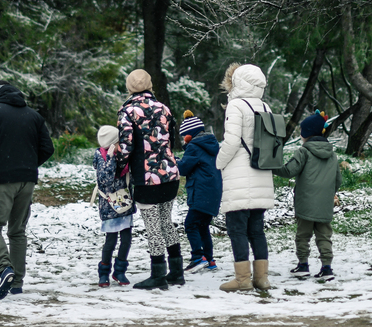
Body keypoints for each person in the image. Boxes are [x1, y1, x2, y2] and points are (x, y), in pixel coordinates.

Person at [0, 79, 54, 301]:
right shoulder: (34, 116)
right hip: (27, 181)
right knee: (17, 231)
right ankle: (16, 283)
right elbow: (48, 148)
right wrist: (28, 166)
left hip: (2, 179)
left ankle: (4, 269)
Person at [116, 68, 183, 290]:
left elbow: (125, 146)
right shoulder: (164, 108)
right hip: (171, 174)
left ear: (129, 87)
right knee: (166, 222)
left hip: (146, 178)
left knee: (153, 227)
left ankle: (158, 275)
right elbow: (171, 140)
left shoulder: (127, 111)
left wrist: (118, 167)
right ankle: (176, 272)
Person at [215, 62, 275, 292]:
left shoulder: (236, 106)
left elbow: (231, 142)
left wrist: (219, 163)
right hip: (261, 174)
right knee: (257, 229)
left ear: (237, 82)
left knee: (237, 229)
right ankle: (262, 278)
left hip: (240, 177)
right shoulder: (265, 106)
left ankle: (242, 280)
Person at [274, 110, 342, 280]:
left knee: (303, 235)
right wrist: (330, 194)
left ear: (307, 134)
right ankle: (327, 268)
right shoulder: (332, 155)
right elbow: (338, 180)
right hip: (325, 204)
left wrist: (271, 166)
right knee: (324, 236)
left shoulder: (303, 152)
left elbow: (289, 171)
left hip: (305, 203)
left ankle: (303, 265)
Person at [175, 110, 222, 272]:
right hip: (213, 194)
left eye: (183, 136)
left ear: (189, 135)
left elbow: (183, 168)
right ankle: (210, 260)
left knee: (190, 224)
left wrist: (173, 159)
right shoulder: (212, 145)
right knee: (203, 226)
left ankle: (197, 256)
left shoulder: (194, 147)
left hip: (201, 193)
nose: (183, 139)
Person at [93, 124, 135, 287]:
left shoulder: (123, 156)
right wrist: (110, 159)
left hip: (124, 203)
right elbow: (106, 182)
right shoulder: (101, 157)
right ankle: (104, 273)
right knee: (110, 241)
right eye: (119, 142)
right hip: (109, 206)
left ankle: (120, 271)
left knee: (126, 239)